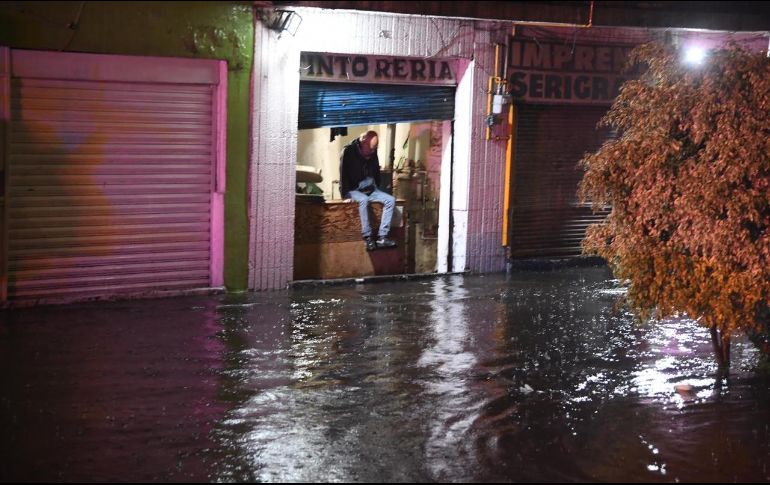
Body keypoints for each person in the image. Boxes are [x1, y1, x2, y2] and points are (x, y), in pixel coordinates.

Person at [339, 130, 397, 251]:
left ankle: (382, 237)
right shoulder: (348, 151)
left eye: (374, 149)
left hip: (370, 188)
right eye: (370, 149)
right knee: (363, 200)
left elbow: (376, 170)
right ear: (363, 142)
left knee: (390, 200)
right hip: (353, 188)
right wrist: (344, 195)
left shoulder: (372, 151)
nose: (372, 152)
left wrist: (378, 187)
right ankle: (368, 237)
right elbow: (343, 173)